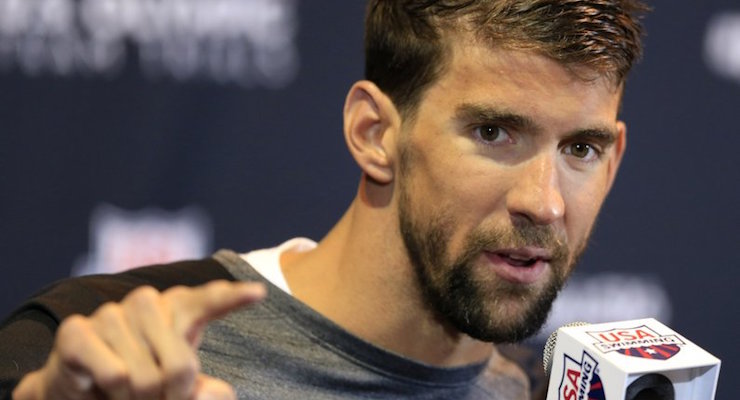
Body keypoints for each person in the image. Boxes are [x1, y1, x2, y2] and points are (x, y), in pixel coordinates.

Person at [0, 1, 648, 399]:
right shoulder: (106, 352)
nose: (546, 203)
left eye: (581, 150)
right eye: (493, 133)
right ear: (374, 134)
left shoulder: (553, 394)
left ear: (615, 160)